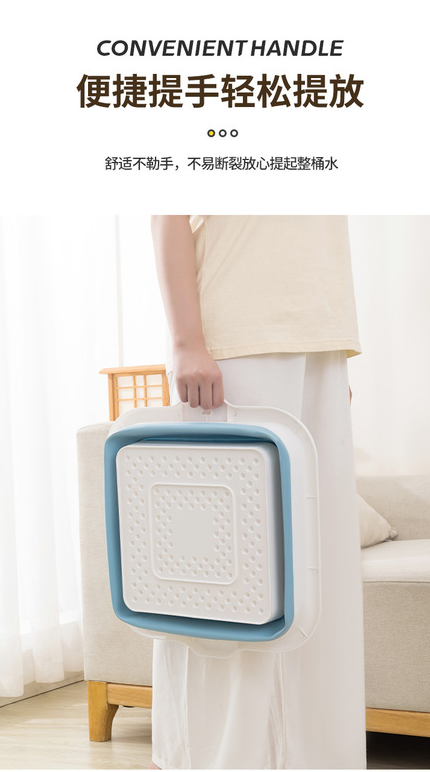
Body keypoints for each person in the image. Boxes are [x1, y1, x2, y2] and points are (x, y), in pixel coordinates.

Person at [149, 215, 366, 769]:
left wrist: (329, 354)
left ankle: (319, 759)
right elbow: (167, 211)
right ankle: (216, 760)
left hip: (319, 342)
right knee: (229, 581)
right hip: (236, 343)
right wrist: (186, 342)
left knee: (321, 575)